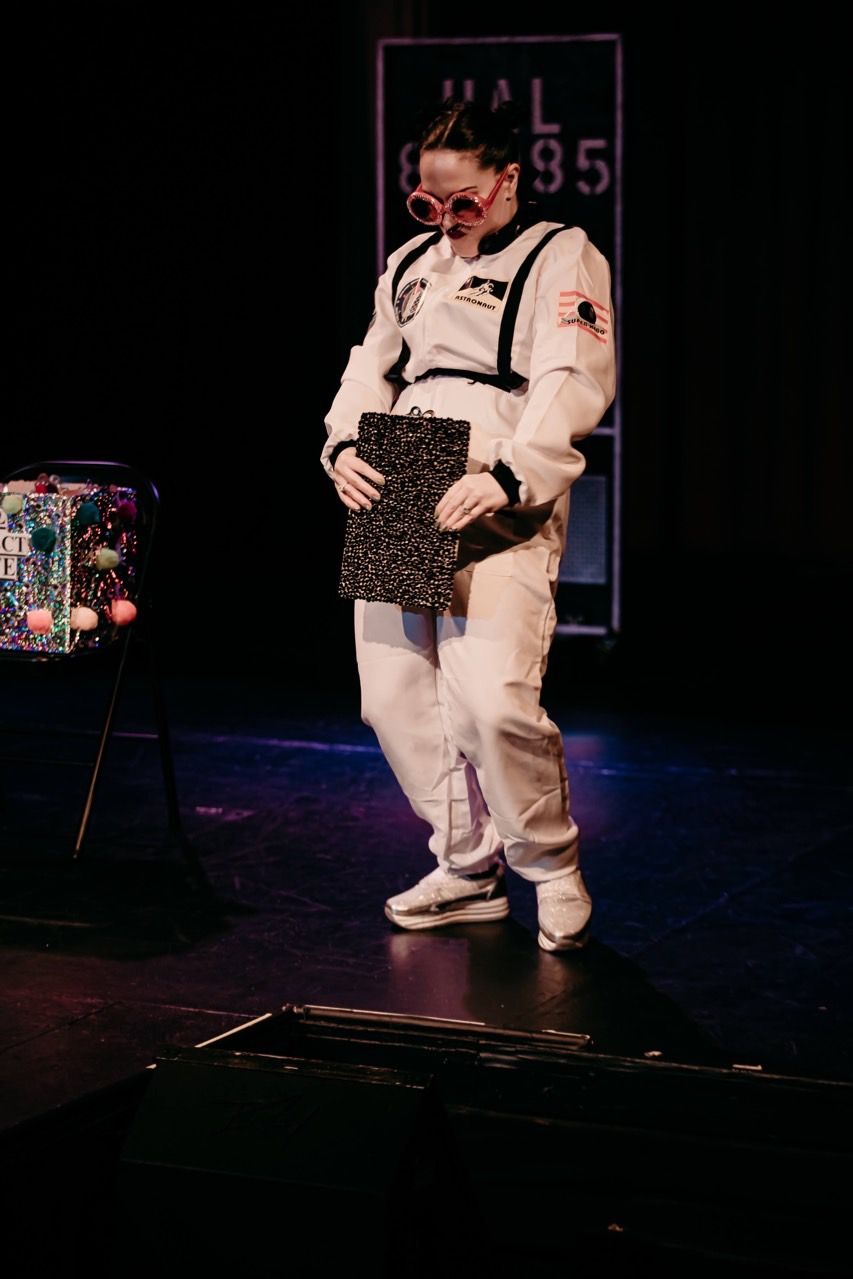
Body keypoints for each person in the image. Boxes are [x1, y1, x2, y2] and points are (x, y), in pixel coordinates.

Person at [322, 99, 616, 951]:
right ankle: (465, 864)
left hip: (492, 466)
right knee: (394, 696)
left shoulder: (558, 252)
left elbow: (572, 372)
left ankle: (551, 865)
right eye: (429, 203)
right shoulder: (411, 263)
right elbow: (368, 364)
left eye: (464, 203)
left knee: (490, 698)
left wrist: (514, 472)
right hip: (403, 467)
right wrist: (342, 442)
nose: (447, 220)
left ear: (506, 182)